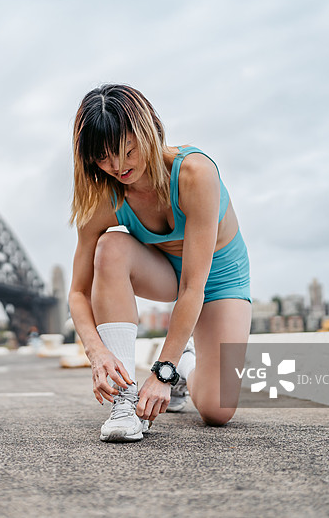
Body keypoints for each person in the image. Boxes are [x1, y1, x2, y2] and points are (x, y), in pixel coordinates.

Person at [68, 84, 251, 442]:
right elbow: (77, 292)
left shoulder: (195, 174)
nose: (118, 167)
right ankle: (125, 399)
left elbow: (194, 286)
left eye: (127, 151)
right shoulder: (102, 201)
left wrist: (164, 371)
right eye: (103, 159)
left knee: (217, 410)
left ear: (149, 130)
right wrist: (97, 352)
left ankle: (183, 365)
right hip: (164, 272)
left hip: (218, 278)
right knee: (110, 248)